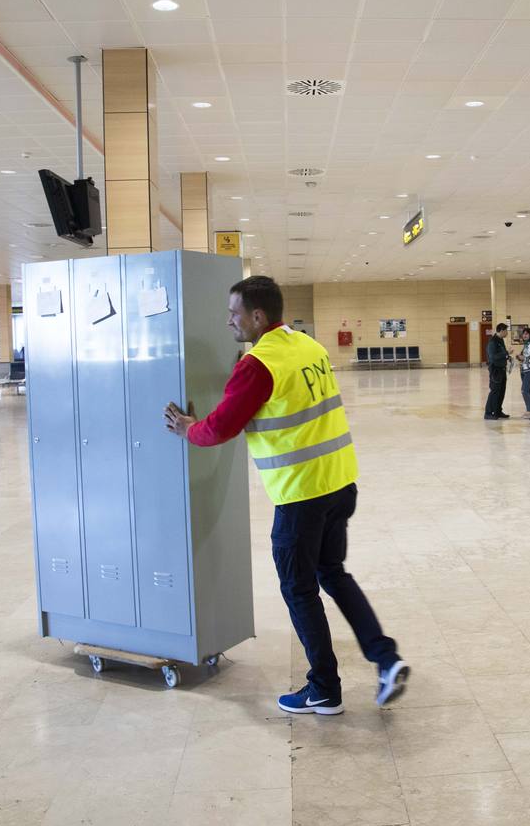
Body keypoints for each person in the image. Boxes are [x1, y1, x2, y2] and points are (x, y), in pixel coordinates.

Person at [163, 276, 408, 716]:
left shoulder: (258, 364)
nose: (228, 321)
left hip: (300, 494)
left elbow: (221, 427)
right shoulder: (307, 346)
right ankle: (386, 659)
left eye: (234, 313)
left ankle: (324, 689)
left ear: (257, 316)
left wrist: (187, 428)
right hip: (339, 482)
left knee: (299, 589)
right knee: (333, 574)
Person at [484, 323, 510, 420]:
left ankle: (498, 411)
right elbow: (493, 357)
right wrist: (506, 353)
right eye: (506, 331)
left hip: (502, 369)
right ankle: (488, 412)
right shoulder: (493, 342)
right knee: (494, 391)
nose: (507, 333)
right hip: (496, 370)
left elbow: (501, 354)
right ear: (502, 331)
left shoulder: (500, 340)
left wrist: (507, 356)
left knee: (501, 391)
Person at [517, 326, 530, 418]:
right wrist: (519, 357)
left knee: (524, 389)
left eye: (526, 333)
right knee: (528, 390)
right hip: (524, 370)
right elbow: (525, 356)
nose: (524, 335)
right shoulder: (526, 344)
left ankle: (529, 411)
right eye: (523, 334)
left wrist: (523, 358)